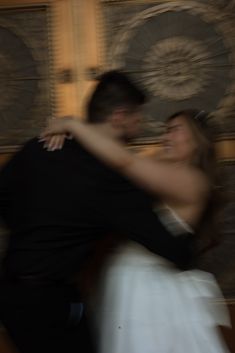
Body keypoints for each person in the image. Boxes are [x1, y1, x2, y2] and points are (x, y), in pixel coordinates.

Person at [0, 71, 195, 353]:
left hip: (11, 293)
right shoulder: (112, 178)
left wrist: (33, 234)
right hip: (52, 302)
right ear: (118, 117)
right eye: (137, 117)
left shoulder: (41, 146)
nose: (140, 126)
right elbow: (169, 248)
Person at [41, 108, 231, 353]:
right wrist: (60, 130)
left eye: (175, 130)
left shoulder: (192, 179)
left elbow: (124, 161)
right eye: (166, 130)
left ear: (197, 141)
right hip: (130, 281)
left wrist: (72, 124)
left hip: (150, 291)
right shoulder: (164, 168)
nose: (166, 137)